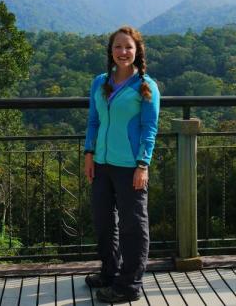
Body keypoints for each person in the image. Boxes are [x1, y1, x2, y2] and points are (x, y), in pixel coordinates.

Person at [83, 26, 160, 304]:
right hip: (101, 164)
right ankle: (109, 272)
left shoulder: (146, 86)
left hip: (130, 166)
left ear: (137, 50)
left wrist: (143, 165)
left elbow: (150, 128)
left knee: (133, 226)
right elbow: (93, 121)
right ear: (111, 51)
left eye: (128, 47)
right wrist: (88, 153)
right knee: (104, 222)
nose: (123, 52)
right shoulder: (99, 82)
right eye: (118, 47)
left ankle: (129, 285)